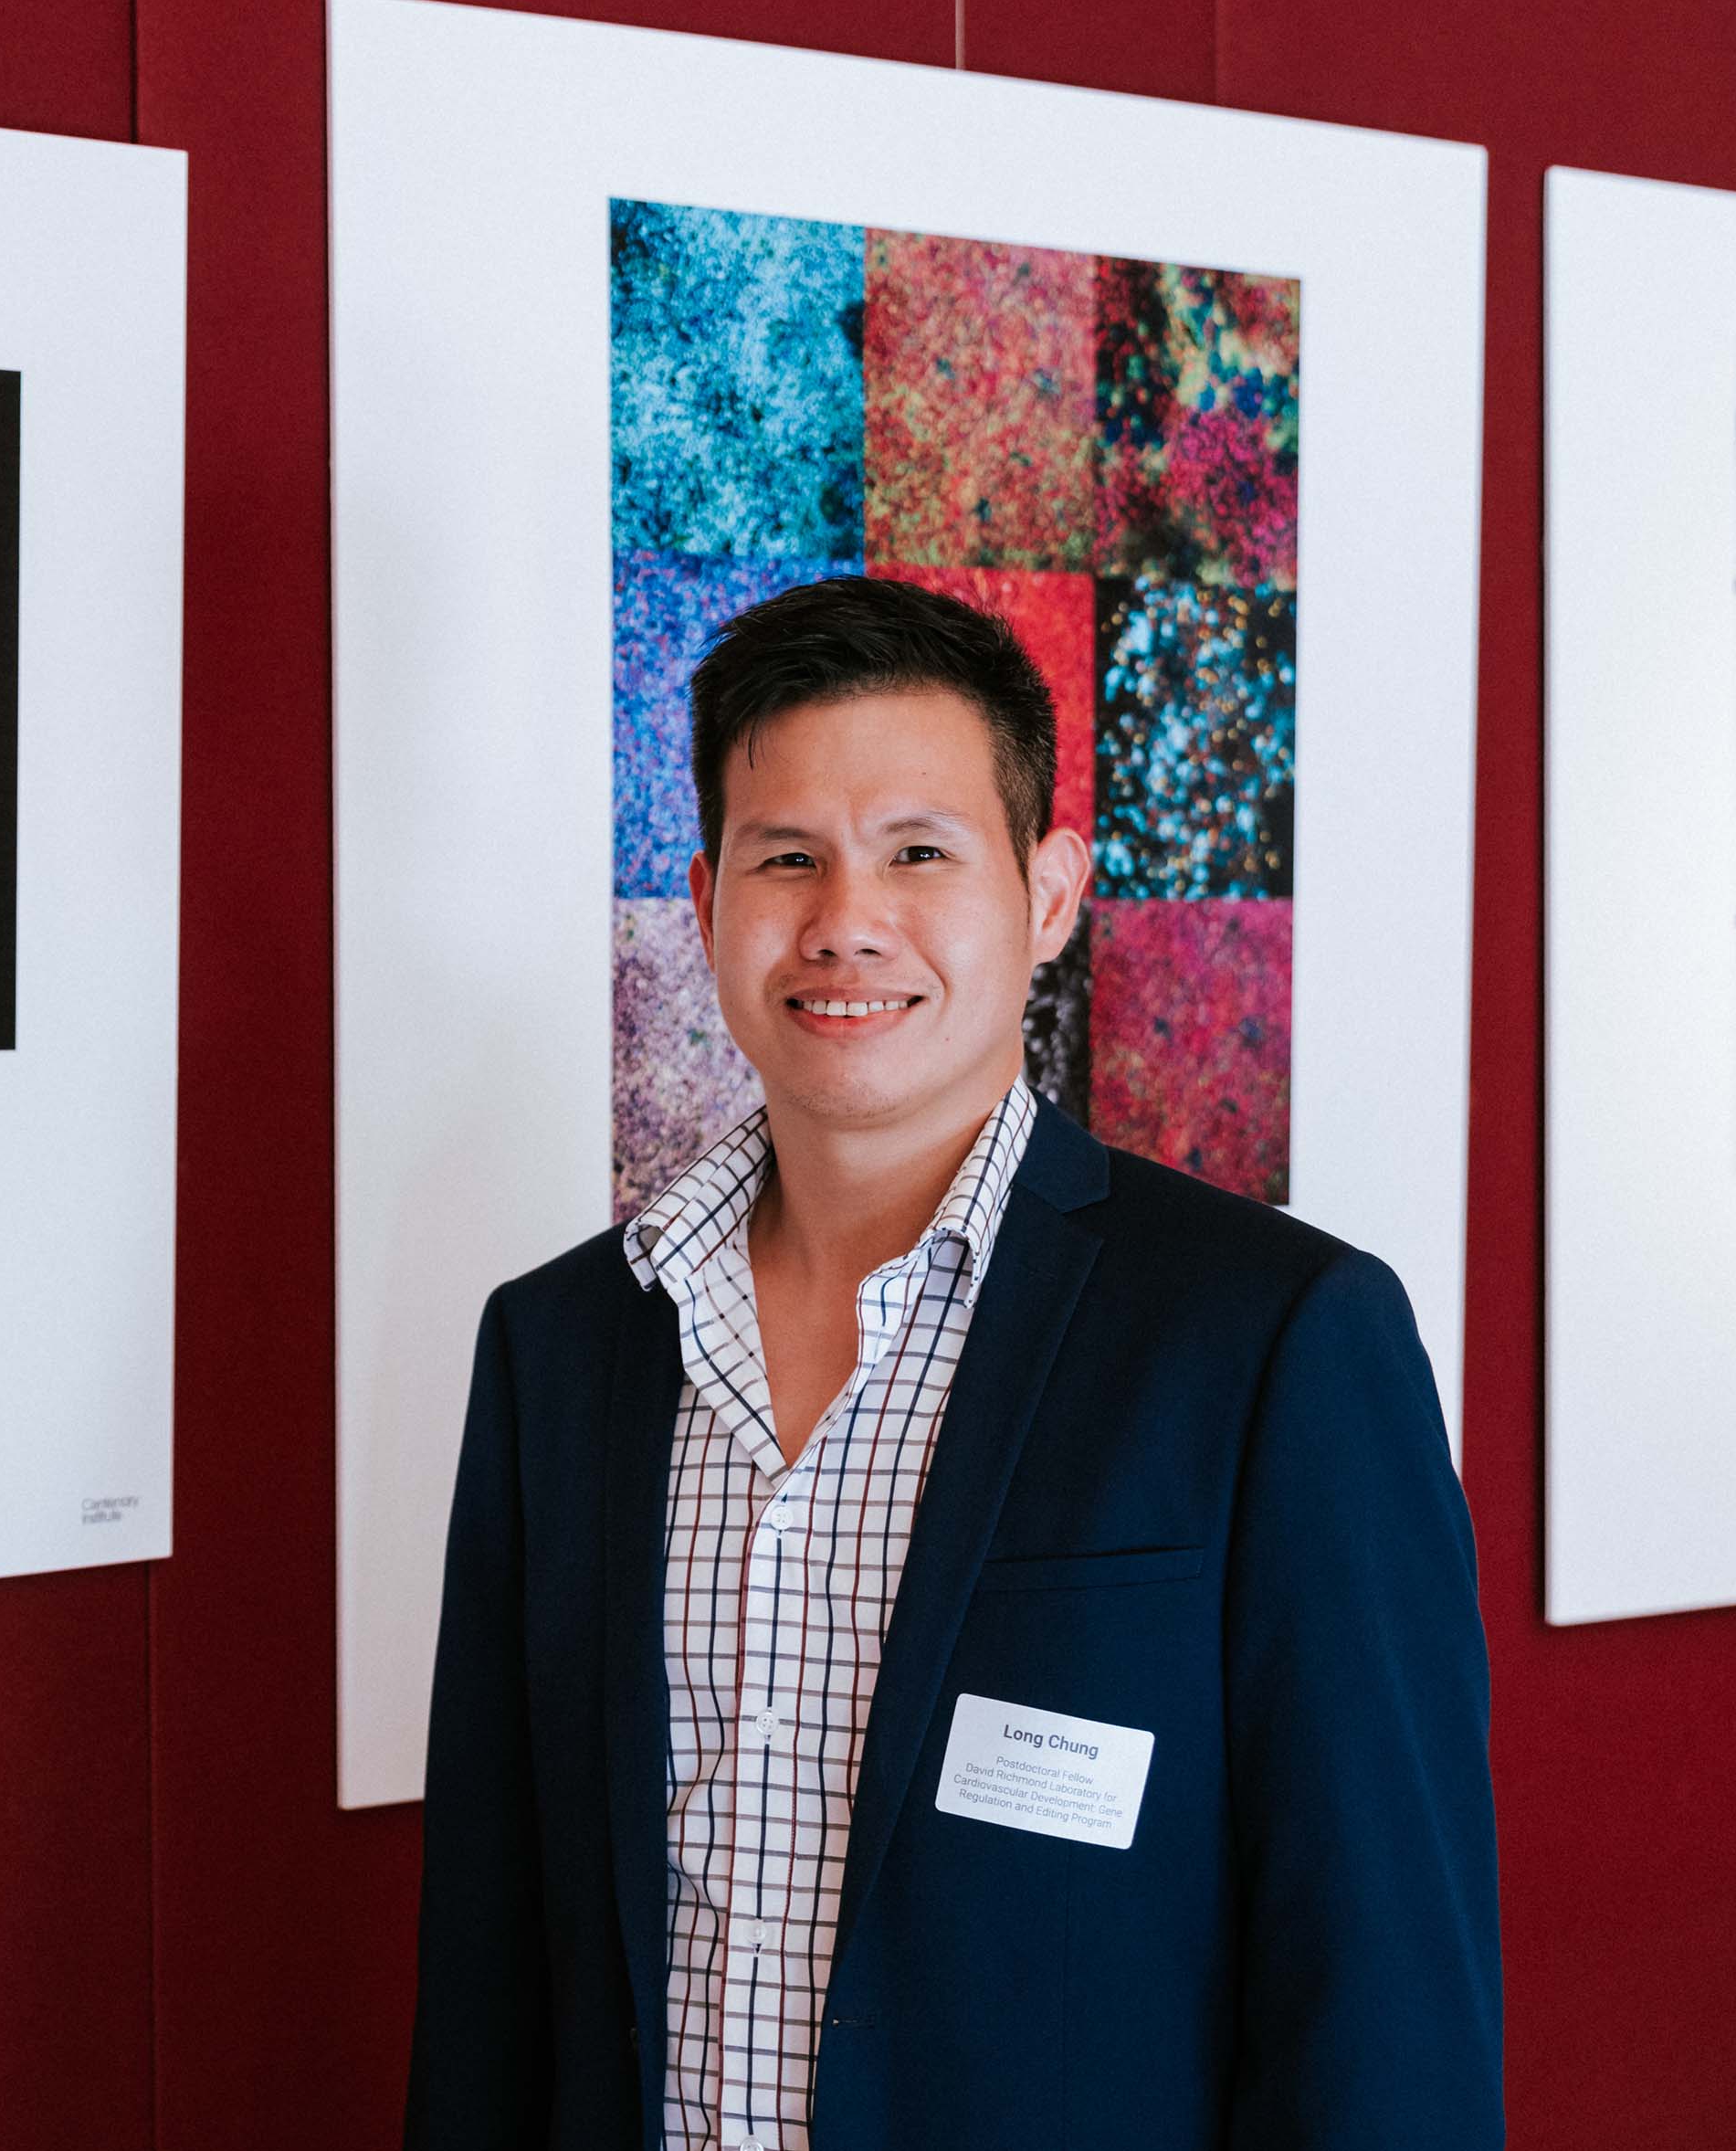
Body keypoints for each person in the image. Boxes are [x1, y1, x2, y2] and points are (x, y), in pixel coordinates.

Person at [404, 577, 1499, 2149]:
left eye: (918, 852)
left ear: (1046, 895)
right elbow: (491, 1973)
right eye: (787, 860)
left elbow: (1384, 2002)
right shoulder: (560, 1347)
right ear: (707, 900)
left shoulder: (1273, 1342)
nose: (845, 919)